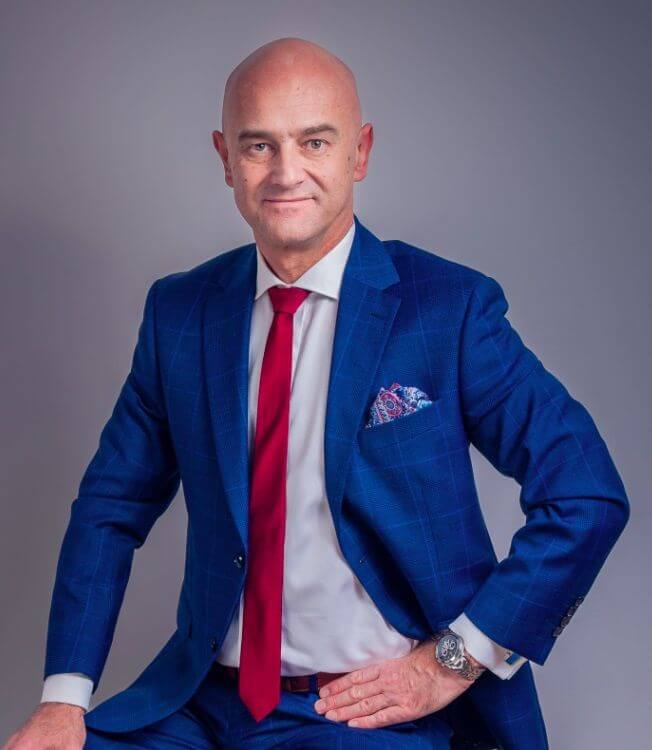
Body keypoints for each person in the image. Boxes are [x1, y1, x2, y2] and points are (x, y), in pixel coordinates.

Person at [3, 37, 629, 750]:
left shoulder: (447, 310)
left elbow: (586, 492)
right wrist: (62, 699)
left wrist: (454, 660)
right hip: (202, 704)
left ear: (359, 153)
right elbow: (109, 509)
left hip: (369, 714)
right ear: (225, 159)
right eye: (259, 145)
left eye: (315, 142)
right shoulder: (181, 314)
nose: (286, 172)